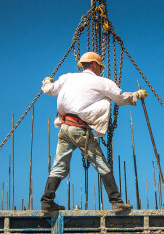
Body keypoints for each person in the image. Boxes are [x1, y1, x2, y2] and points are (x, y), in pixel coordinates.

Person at [40, 51, 147, 213]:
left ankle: (47, 201)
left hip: (64, 127)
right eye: (100, 67)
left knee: (59, 165)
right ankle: (116, 201)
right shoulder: (102, 82)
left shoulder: (67, 77)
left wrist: (46, 81)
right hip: (79, 129)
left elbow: (49, 89)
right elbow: (120, 99)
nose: (101, 70)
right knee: (100, 162)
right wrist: (136, 95)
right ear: (95, 65)